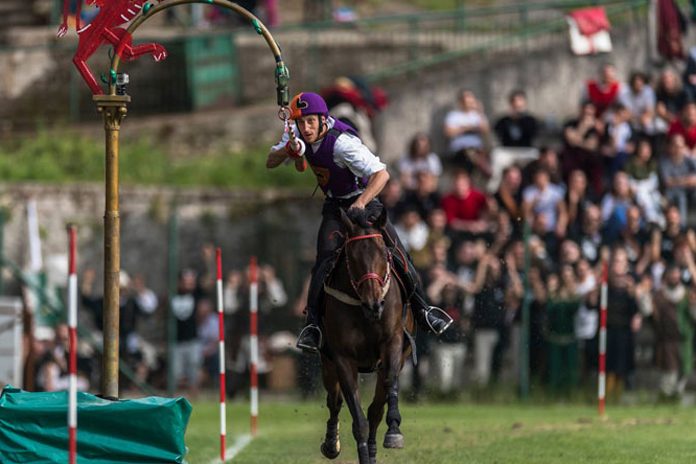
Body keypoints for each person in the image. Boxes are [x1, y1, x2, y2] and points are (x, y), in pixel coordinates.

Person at [266, 92, 452, 353]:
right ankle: (313, 327)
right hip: (335, 206)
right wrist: (289, 149)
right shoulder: (296, 133)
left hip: (364, 200)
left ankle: (424, 310)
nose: (305, 128)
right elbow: (270, 161)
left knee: (398, 253)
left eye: (310, 122)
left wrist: (361, 202)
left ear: (322, 119)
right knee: (323, 261)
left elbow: (382, 175)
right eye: (301, 122)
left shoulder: (343, 144)